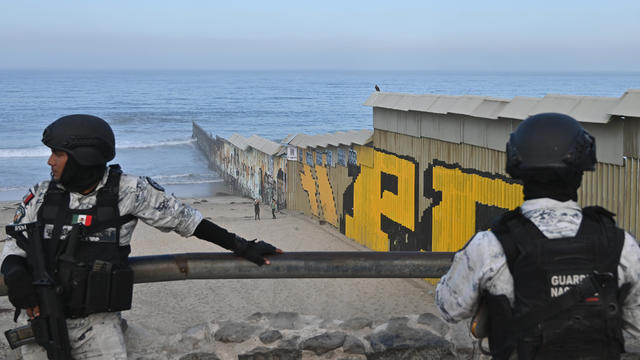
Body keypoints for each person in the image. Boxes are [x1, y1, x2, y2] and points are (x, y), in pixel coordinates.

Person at [0, 114, 282, 360]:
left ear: (82, 157)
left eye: (57, 154)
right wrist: (13, 271)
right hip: (41, 320)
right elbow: (15, 242)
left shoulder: (129, 190)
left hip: (97, 329)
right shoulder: (41, 194)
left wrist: (242, 246)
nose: (50, 161)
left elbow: (186, 221)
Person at [435, 113, 640, 359]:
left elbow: (449, 308)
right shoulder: (621, 245)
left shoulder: (490, 246)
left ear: (517, 168)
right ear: (581, 170)